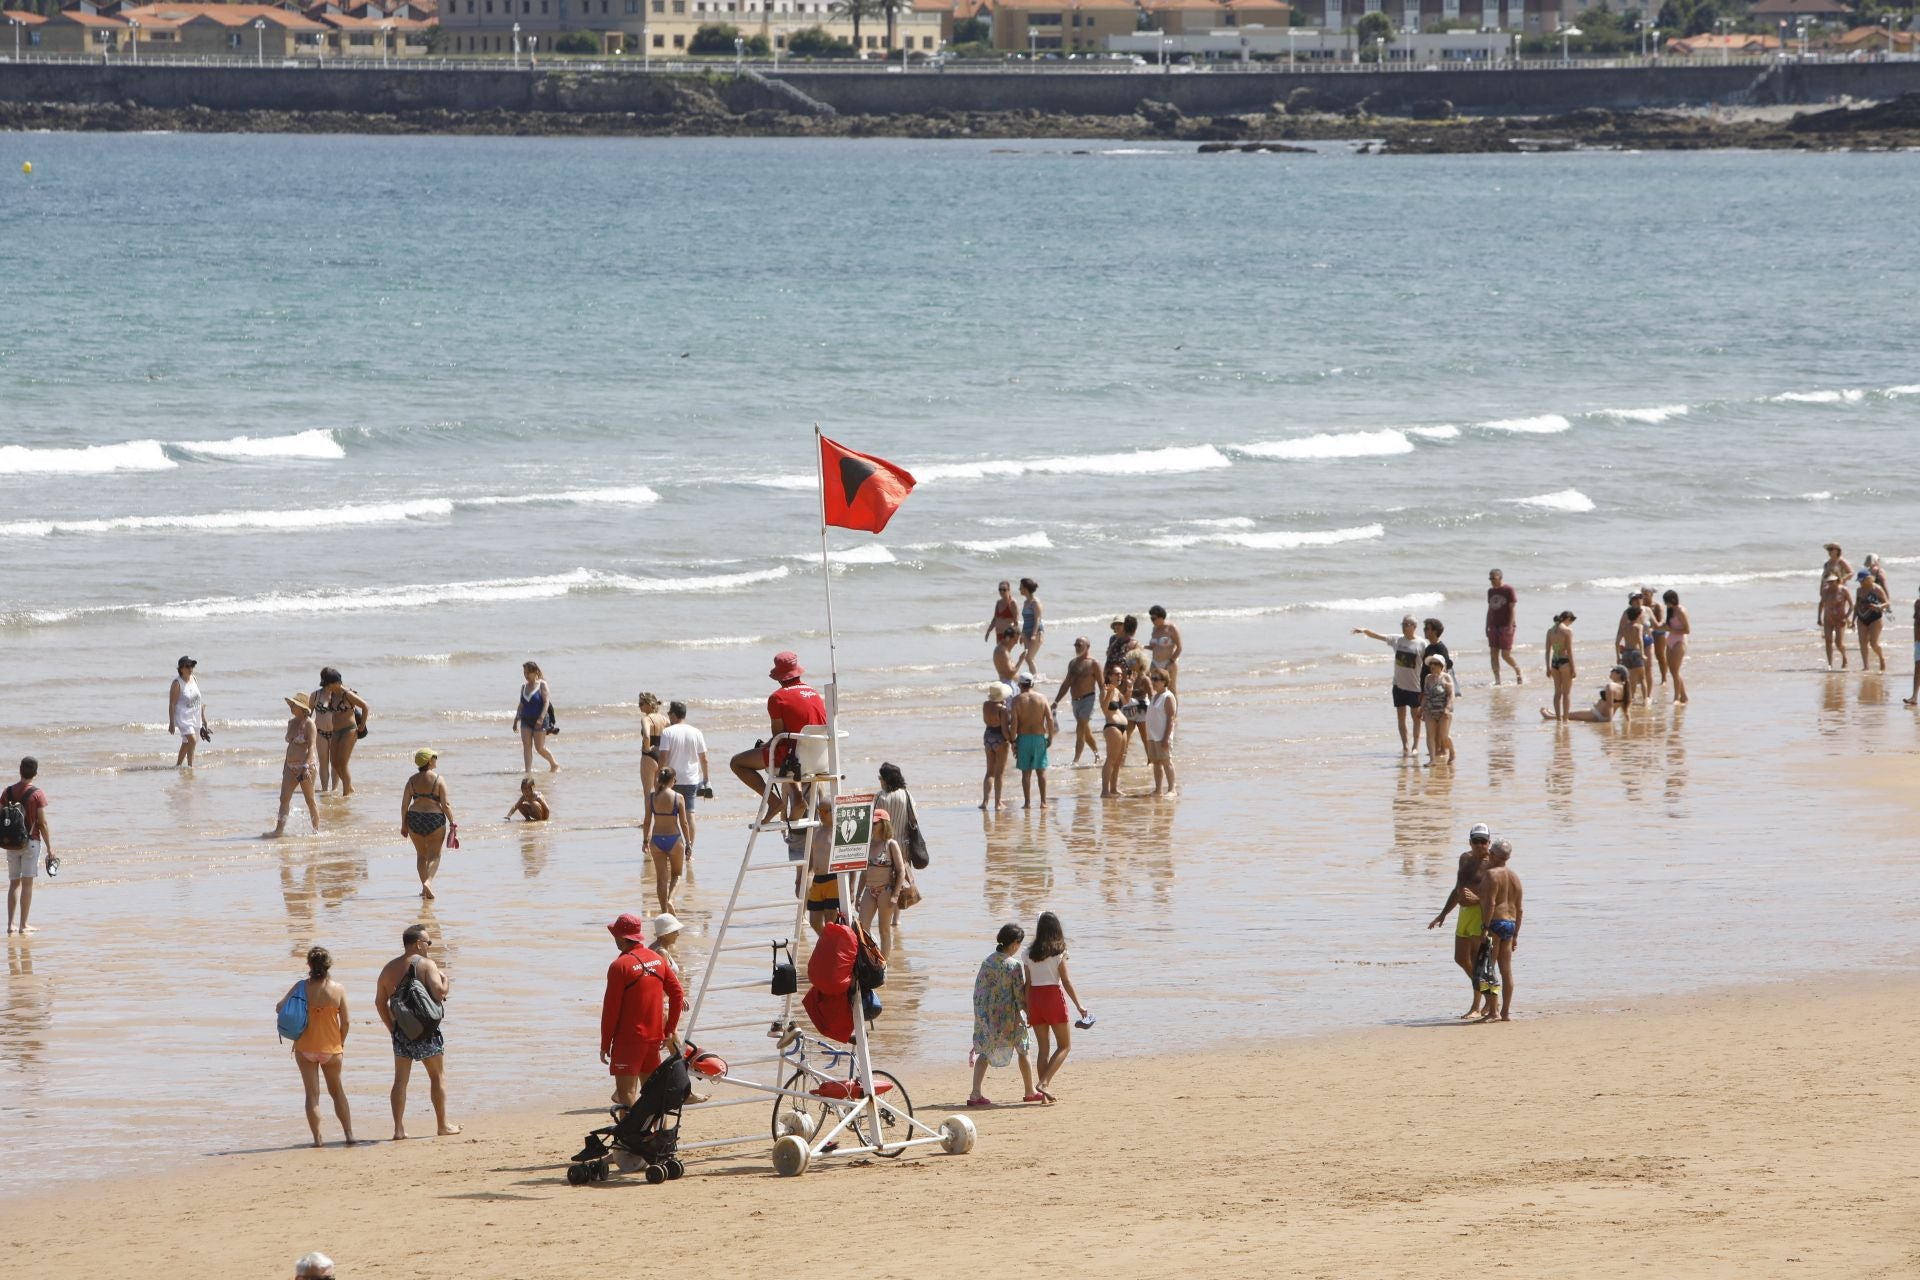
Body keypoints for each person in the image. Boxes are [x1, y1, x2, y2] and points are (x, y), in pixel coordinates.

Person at [375, 923, 458, 1139]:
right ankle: (442, 1125)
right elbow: (439, 994)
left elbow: (379, 1002)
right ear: (419, 944)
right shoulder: (427, 964)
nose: (429, 946)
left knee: (400, 1081)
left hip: (402, 1032)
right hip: (426, 1032)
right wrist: (446, 980)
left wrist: (392, 1027)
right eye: (428, 942)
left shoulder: (388, 969)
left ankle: (398, 1129)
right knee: (437, 1077)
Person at [600, 911, 684, 1108]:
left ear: (621, 937)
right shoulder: (657, 959)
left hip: (628, 1040)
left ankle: (635, 1138)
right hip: (654, 1039)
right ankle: (654, 1133)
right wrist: (669, 1030)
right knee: (651, 1093)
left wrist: (605, 1043)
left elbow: (610, 1010)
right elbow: (678, 994)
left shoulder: (619, 966)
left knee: (626, 1095)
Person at [279, 945, 354, 1147]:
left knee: (312, 1095)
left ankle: (318, 1139)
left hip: (305, 1047)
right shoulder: (338, 989)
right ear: (329, 965)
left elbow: (279, 1007)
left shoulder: (301, 987)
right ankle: (349, 1135)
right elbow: (346, 1022)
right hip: (331, 1048)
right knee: (337, 1092)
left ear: (309, 965)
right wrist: (341, 1042)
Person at [728, 652, 826, 802]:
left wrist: (765, 745)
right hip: (819, 759)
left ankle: (774, 802)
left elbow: (778, 737)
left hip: (795, 760)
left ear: (779, 677)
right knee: (786, 749)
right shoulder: (814, 693)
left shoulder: (777, 698)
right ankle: (797, 800)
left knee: (736, 763)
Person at [1427, 824, 1494, 1019]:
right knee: (1460, 958)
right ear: (1470, 842)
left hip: (1480, 913)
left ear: (1489, 842)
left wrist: (1478, 899)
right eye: (1476, 841)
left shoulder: (1493, 863)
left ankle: (1479, 1005)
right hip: (1464, 913)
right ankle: (1488, 997)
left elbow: (1498, 895)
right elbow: (1458, 889)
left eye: (1484, 841)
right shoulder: (1464, 859)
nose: (1480, 845)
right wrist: (1443, 914)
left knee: (1477, 960)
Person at [967, 923, 1037, 1108]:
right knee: (1024, 1049)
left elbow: (978, 992)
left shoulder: (987, 961)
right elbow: (1019, 995)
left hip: (989, 1017)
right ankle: (1029, 1091)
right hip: (1009, 1017)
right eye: (1019, 944)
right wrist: (1029, 1013)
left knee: (985, 1052)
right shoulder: (1013, 965)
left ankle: (975, 1093)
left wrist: (980, 1017)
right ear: (1014, 943)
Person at [1024, 911, 1087, 1102]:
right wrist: (1080, 1006)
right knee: (1065, 1046)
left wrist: (1027, 1009)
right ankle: (1044, 1084)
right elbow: (1066, 982)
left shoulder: (1027, 953)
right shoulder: (1059, 952)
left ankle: (1044, 1095)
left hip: (1035, 999)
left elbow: (1027, 984)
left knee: (1043, 1049)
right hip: (1053, 998)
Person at [1353, 616, 1425, 755]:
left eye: (1407, 624)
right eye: (1402, 624)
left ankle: (1415, 746)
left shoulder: (1421, 643)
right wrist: (1364, 630)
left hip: (1415, 687)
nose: (1404, 627)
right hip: (1398, 686)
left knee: (1416, 718)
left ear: (1414, 627)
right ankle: (1405, 746)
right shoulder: (1397, 639)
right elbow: (1378, 636)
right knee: (1400, 717)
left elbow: (1427, 663)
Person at [3, 757, 52, 935]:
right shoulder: (37, 794)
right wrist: (50, 848)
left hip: (11, 845)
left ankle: (10, 925)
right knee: (27, 884)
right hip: (30, 842)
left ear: (20, 770)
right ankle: (23, 925)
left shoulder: (7, 792)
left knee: (13, 884)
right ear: (35, 773)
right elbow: (42, 823)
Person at [402, 749, 455, 899]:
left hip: (414, 819)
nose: (436, 759)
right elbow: (445, 805)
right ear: (429, 761)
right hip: (435, 820)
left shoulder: (411, 780)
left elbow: (404, 805)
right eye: (434, 757)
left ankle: (424, 888)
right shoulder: (439, 779)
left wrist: (403, 825)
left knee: (421, 856)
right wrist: (453, 822)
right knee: (435, 856)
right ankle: (428, 883)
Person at [266, 693, 320, 839]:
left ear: (302, 708)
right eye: (291, 704)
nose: (291, 707)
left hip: (305, 767)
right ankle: (279, 830)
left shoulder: (309, 724)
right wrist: (285, 766)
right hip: (290, 766)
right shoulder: (291, 722)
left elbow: (312, 747)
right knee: (284, 798)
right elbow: (290, 745)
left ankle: (316, 831)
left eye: (294, 705)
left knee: (310, 800)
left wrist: (306, 767)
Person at [658, 701, 708, 855]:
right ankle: (689, 850)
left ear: (673, 714)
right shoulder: (696, 732)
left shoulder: (667, 732)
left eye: (668, 713)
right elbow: (704, 759)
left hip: (671, 781)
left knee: (670, 816)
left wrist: (659, 778)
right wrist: (706, 779)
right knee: (690, 815)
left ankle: (672, 850)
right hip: (691, 780)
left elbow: (663, 758)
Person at [1482, 837, 1524, 1022]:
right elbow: (1520, 908)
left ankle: (1493, 1011)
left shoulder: (1492, 875)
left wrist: (1484, 927)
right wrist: (1515, 935)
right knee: (1506, 970)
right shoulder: (1514, 877)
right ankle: (1506, 1012)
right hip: (1510, 924)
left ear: (1492, 854)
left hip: (1495, 923)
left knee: (1489, 969)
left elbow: (1490, 903)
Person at [856, 806, 914, 940]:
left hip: (886, 891)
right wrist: (858, 894)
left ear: (884, 824)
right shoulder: (867, 845)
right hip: (869, 890)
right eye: (871, 822)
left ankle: (883, 961)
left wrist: (895, 895)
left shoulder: (891, 844)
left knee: (884, 930)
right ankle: (873, 956)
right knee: (862, 929)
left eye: (875, 823)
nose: (872, 825)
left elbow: (900, 872)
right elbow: (864, 873)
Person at [311, 668, 369, 797]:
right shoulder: (332, 694)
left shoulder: (347, 694)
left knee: (342, 763)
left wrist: (362, 725)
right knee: (335, 763)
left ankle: (346, 795)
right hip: (335, 731)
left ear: (335, 682)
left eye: (328, 684)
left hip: (349, 730)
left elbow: (365, 706)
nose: (327, 687)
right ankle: (349, 788)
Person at [644, 766, 690, 915]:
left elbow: (647, 821)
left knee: (661, 880)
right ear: (671, 780)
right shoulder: (678, 797)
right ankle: (670, 900)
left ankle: (664, 912)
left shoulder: (651, 797)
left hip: (656, 840)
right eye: (675, 779)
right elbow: (684, 823)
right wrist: (688, 843)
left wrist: (645, 840)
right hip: (674, 840)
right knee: (676, 875)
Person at [1051, 636, 1103, 768]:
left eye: (1079, 645)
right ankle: (1097, 754)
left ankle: (1076, 760)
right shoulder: (1072, 663)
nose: (1077, 647)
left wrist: (1105, 703)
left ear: (1087, 646)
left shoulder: (1093, 663)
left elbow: (1102, 685)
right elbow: (1067, 683)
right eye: (1075, 645)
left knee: (1080, 728)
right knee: (1085, 731)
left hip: (1088, 699)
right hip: (1075, 701)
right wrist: (1056, 701)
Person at [1010, 672, 1056, 809]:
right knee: (1041, 771)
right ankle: (1043, 802)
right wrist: (1051, 737)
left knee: (1026, 773)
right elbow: (1050, 719)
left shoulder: (1017, 700)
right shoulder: (1042, 698)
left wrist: (1013, 741)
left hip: (1023, 739)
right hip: (1039, 738)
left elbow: (1014, 722)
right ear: (1032, 684)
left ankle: (1027, 803)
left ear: (1019, 685)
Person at [514, 661, 558, 773]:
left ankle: (554, 764)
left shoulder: (542, 684)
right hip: (526, 720)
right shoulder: (523, 687)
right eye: (524, 672)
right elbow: (521, 704)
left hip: (540, 720)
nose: (526, 675)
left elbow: (546, 702)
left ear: (535, 672)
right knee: (527, 746)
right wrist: (516, 719)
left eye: (528, 672)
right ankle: (527, 771)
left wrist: (541, 718)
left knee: (539, 748)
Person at [1546, 664, 1630, 723]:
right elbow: (1625, 710)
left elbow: (1610, 706)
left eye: (1612, 671)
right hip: (1602, 716)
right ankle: (1553, 714)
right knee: (1570, 715)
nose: (1610, 673)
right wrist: (1628, 721)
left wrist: (1609, 723)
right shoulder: (1625, 689)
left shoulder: (1610, 686)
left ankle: (1550, 717)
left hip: (1597, 714)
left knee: (1570, 715)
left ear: (1619, 674)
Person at [1098, 662, 1132, 798]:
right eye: (1117, 674)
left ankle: (1114, 789)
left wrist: (1129, 687)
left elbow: (1126, 702)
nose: (1120, 676)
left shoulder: (1117, 690)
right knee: (1111, 759)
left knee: (1118, 761)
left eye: (1121, 674)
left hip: (1123, 727)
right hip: (1112, 727)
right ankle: (1105, 791)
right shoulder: (1105, 689)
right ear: (1109, 676)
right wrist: (1109, 692)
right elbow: (1104, 709)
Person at [1143, 668, 1178, 795]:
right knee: (1156, 763)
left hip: (1162, 736)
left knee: (1166, 761)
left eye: (1156, 679)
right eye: (1152, 679)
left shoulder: (1168, 697)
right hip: (1152, 736)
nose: (1153, 682)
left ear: (1164, 681)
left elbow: (1171, 719)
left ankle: (1172, 789)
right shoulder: (1154, 696)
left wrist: (1166, 738)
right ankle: (1158, 789)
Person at [168, 655, 207, 768]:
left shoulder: (194, 679)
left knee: (186, 743)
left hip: (195, 716)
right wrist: (171, 722)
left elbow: (198, 700)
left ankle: (178, 766)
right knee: (193, 741)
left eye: (192, 666)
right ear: (181, 668)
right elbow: (172, 704)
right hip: (183, 717)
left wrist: (203, 717)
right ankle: (190, 766)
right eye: (187, 666)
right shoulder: (177, 683)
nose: (190, 669)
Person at [979, 682, 1013, 811]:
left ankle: (985, 801)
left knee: (989, 772)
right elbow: (1005, 730)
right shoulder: (1002, 710)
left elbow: (986, 721)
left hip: (988, 736)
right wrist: (1012, 740)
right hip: (1000, 738)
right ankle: (998, 803)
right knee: (999, 773)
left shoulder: (985, 705)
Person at [1485, 570, 1522, 684]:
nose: (1492, 581)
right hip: (1493, 625)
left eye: (1494, 578)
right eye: (1490, 579)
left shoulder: (1508, 590)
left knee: (1505, 655)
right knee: (1493, 653)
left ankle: (1518, 671)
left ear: (1500, 578)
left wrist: (1510, 625)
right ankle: (1497, 680)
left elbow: (1512, 609)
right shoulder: (1490, 591)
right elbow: (1490, 609)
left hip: (1506, 626)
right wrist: (1486, 625)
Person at [1421, 654, 1456, 766]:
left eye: (1435, 663)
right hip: (1430, 711)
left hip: (1443, 712)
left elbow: (1451, 695)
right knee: (1430, 735)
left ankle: (1452, 752)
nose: (1432, 666)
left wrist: (1447, 708)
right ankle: (1432, 760)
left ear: (1441, 665)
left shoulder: (1446, 677)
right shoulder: (1428, 678)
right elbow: (1426, 696)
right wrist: (1421, 709)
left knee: (1443, 736)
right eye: (1431, 663)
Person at [1614, 601, 1650, 704]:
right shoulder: (1639, 627)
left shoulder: (1625, 627)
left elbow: (1617, 642)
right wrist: (1642, 653)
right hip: (1636, 652)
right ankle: (1645, 699)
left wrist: (1618, 656)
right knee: (1642, 678)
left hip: (1626, 653)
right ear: (1638, 615)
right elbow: (1640, 640)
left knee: (1630, 678)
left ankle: (1631, 698)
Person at [1543, 612, 1577, 720]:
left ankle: (1558, 719)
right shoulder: (1567, 631)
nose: (1571, 624)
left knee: (1557, 692)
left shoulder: (1550, 631)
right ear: (1567, 619)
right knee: (1566, 693)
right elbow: (1569, 651)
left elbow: (1547, 651)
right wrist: (1574, 668)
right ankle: (1565, 719)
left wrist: (1548, 667)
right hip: (1564, 661)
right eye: (1571, 621)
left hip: (1554, 662)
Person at [1855, 569, 1889, 672]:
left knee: (1873, 643)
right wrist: (1852, 619)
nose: (1861, 583)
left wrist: (1878, 606)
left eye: (1862, 580)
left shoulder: (1877, 589)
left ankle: (1881, 658)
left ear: (1868, 579)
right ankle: (1866, 666)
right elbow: (1856, 605)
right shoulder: (1859, 590)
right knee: (1862, 642)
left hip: (1875, 618)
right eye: (1859, 581)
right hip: (1861, 618)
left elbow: (1887, 603)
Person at [636, 692, 668, 798]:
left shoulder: (646, 719)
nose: (638, 706)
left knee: (647, 793)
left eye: (641, 704)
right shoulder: (665, 719)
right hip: (662, 756)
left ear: (649, 704)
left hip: (649, 757)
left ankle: (648, 815)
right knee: (660, 791)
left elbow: (646, 736)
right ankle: (659, 814)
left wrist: (646, 748)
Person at [1820, 573, 1853, 671]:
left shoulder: (1844, 590)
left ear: (1837, 581)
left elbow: (1851, 605)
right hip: (1828, 619)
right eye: (1829, 582)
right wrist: (1819, 618)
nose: (1830, 584)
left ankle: (1844, 657)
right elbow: (1821, 604)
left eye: (1832, 582)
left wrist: (1846, 617)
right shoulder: (1825, 590)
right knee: (1828, 640)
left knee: (1838, 643)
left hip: (1840, 619)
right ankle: (1830, 664)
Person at [1146, 604, 1182, 693]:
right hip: (1155, 663)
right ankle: (1158, 707)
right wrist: (1142, 647)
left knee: (1171, 689)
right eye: (1151, 618)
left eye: (1154, 618)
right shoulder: (1154, 629)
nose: (1152, 621)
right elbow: (1154, 647)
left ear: (1161, 617)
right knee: (1154, 688)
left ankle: (1173, 707)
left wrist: (1171, 661)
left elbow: (1179, 647)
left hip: (1168, 663)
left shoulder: (1171, 628)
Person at [1662, 591, 1690, 704]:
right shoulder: (1670, 610)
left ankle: (1676, 697)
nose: (1665, 604)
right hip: (1670, 640)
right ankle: (1684, 696)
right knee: (1672, 670)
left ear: (1672, 600)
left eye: (1667, 602)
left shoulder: (1681, 611)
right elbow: (1667, 626)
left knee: (1675, 670)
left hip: (1680, 640)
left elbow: (1687, 630)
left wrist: (1672, 630)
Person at [1016, 578, 1045, 676]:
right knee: (1028, 657)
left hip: (1036, 633)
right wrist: (1022, 635)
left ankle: (1035, 678)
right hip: (1026, 633)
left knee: (1029, 657)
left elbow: (1037, 619)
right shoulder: (1025, 602)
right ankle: (1034, 676)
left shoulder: (1035, 602)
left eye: (1021, 587)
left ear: (1026, 588)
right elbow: (1025, 621)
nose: (1019, 589)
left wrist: (1033, 634)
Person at [984, 579, 1018, 644]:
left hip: (1007, 635)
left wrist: (1012, 635)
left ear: (1009, 590)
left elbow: (1016, 621)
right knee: (1000, 653)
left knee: (1002, 653)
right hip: (998, 634)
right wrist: (988, 631)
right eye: (1000, 589)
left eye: (1004, 589)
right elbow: (995, 619)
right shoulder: (998, 602)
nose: (1001, 591)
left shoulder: (1012, 603)